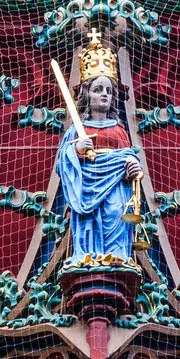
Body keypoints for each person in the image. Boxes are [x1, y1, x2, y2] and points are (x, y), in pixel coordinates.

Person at [53, 33, 144, 264]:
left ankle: (117, 257)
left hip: (115, 189)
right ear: (87, 95)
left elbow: (129, 158)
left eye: (108, 91)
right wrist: (75, 151)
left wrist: (134, 167)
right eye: (97, 89)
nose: (104, 94)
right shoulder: (77, 130)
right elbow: (61, 164)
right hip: (85, 189)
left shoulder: (119, 130)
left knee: (114, 212)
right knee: (88, 221)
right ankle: (86, 257)